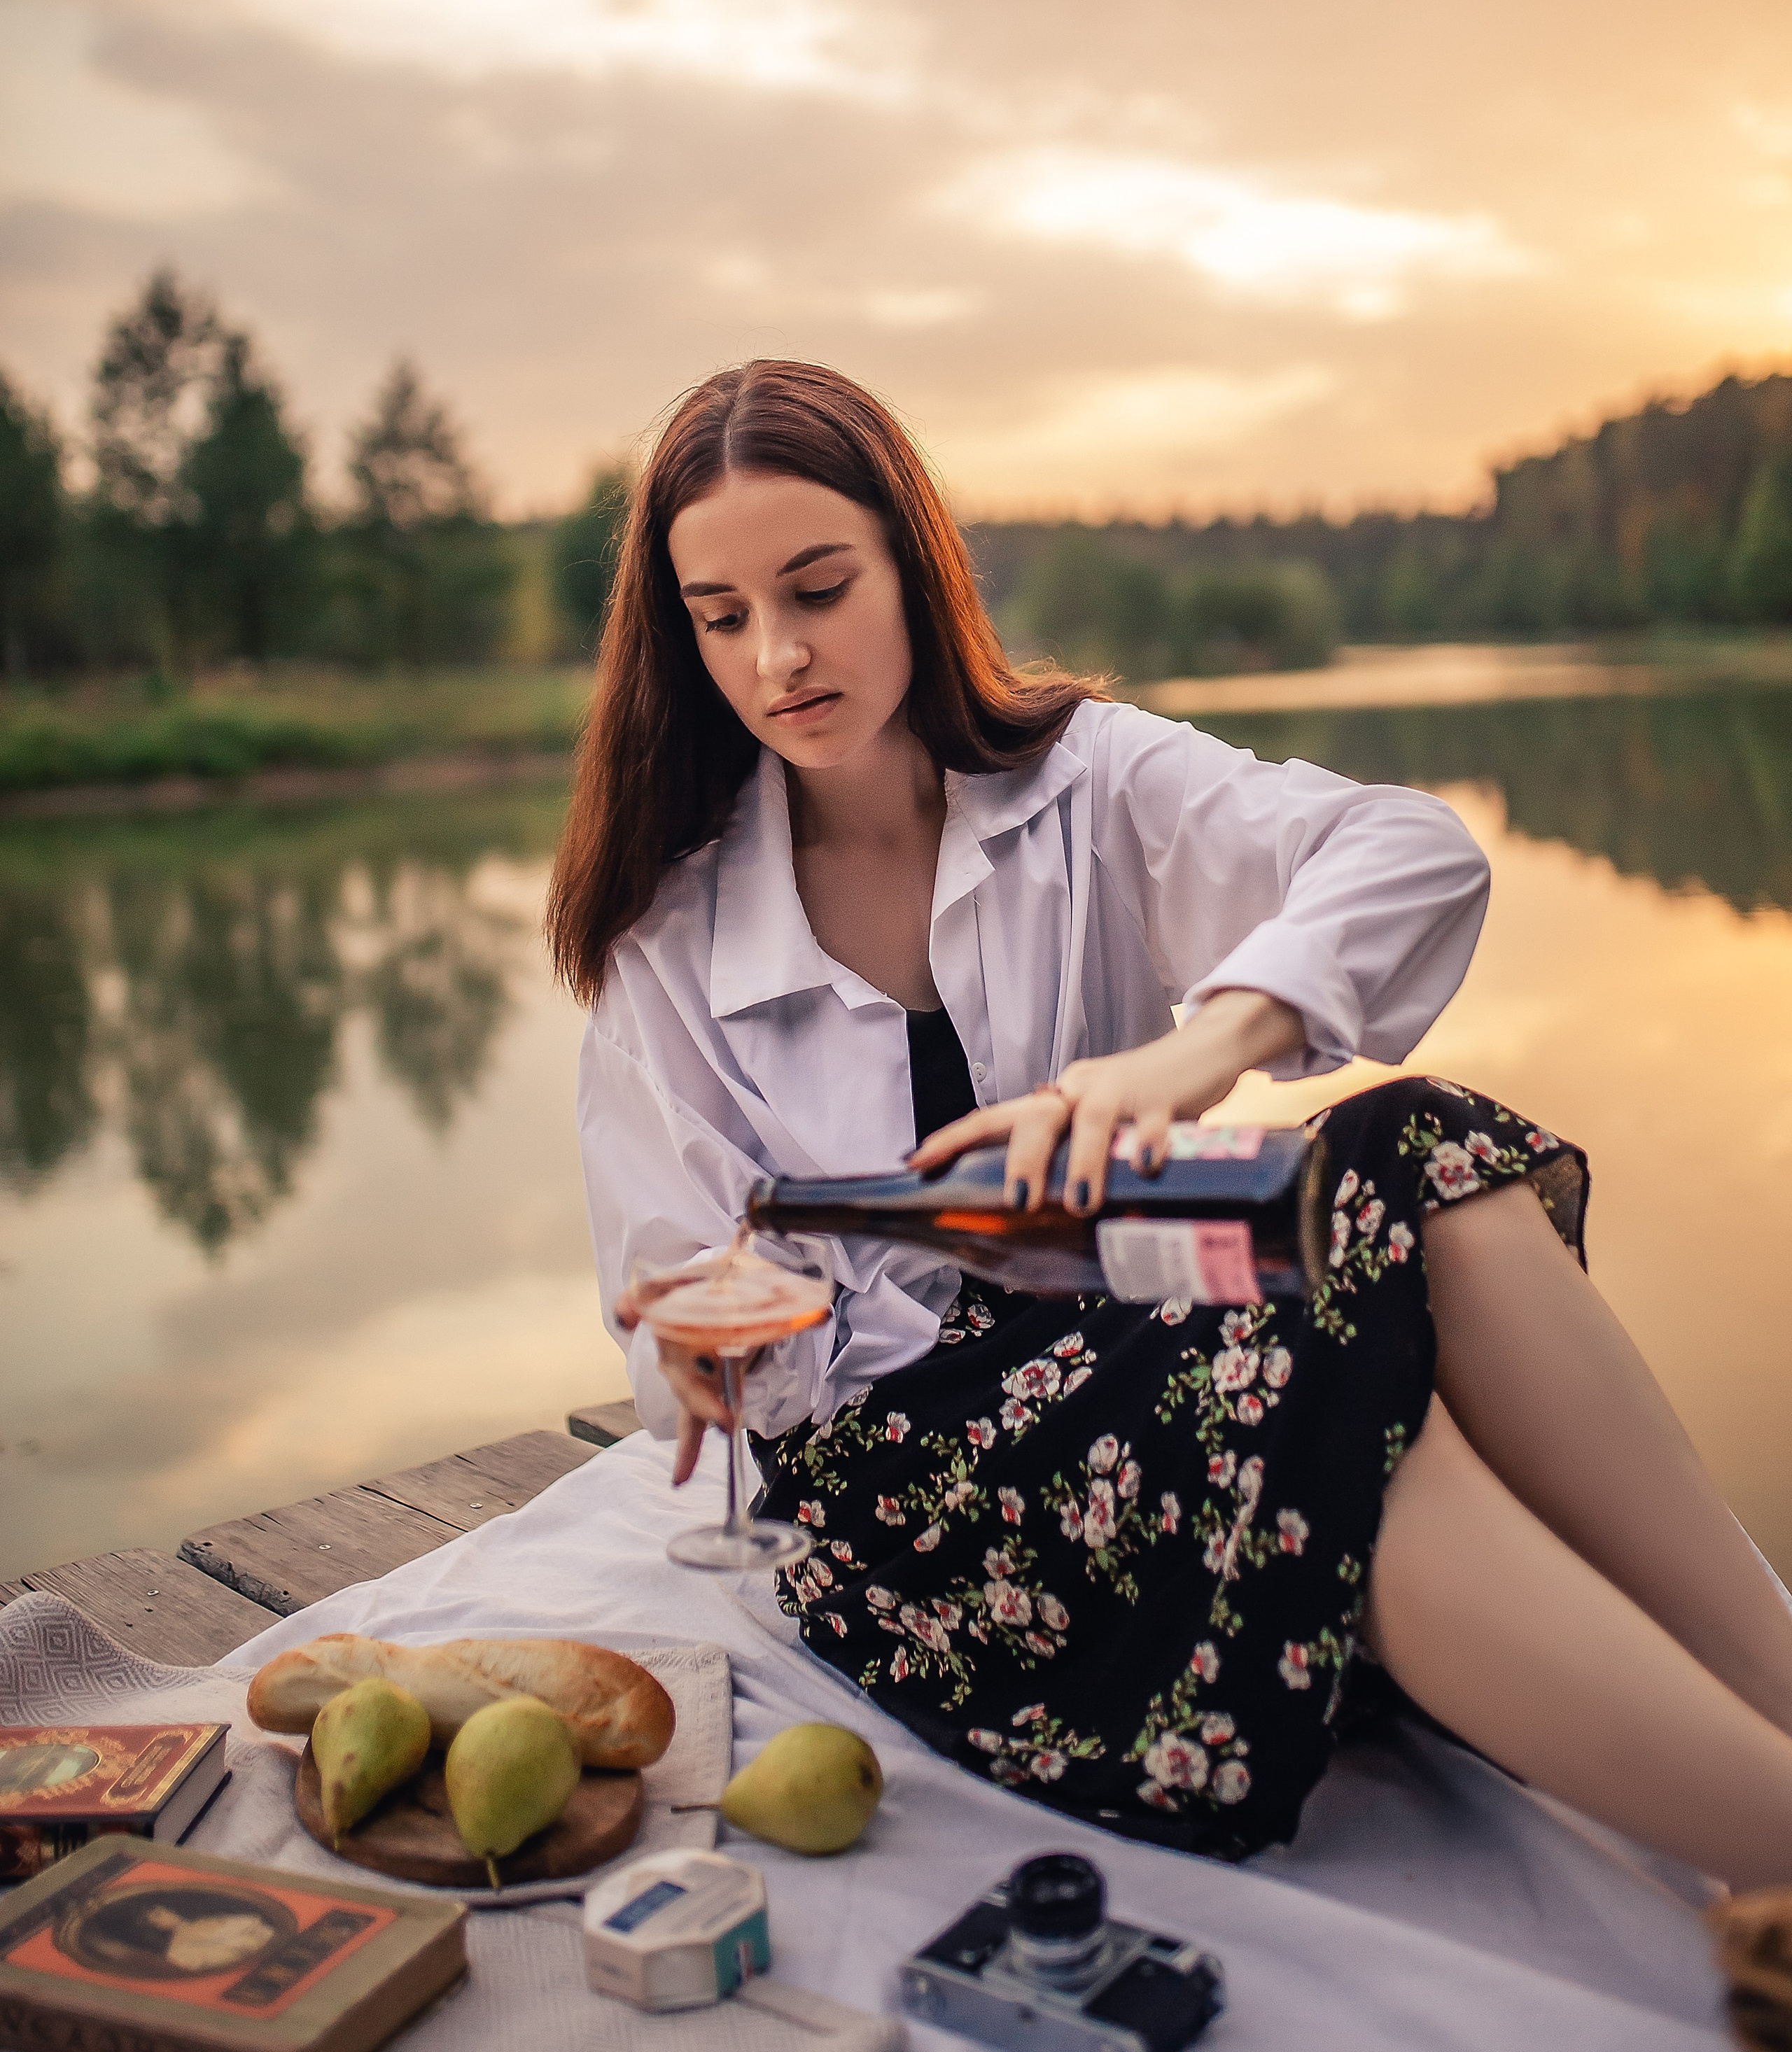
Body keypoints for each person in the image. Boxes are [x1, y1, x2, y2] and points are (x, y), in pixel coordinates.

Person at [550, 357, 1792, 1888]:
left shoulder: (1081, 782)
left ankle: (1773, 1684)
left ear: (910, 568)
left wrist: (1188, 1059)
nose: (777, 655)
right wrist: (694, 1355)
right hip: (908, 1477)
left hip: (1144, 1318)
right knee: (1285, 1381)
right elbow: (680, 1341)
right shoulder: (665, 942)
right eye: (720, 615)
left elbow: (1409, 854)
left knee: (1420, 1148)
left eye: (817, 587)